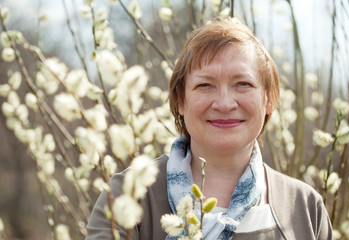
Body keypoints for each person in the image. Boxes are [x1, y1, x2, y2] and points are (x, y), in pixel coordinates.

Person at [86, 17, 332, 239]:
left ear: (268, 100)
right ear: (180, 100)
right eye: (205, 85)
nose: (224, 104)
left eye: (243, 84)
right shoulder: (127, 196)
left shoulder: (305, 208)